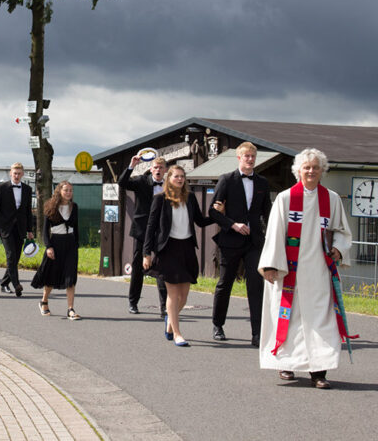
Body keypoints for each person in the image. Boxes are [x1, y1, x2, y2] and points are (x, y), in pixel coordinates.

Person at [257, 148, 353, 389]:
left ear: (322, 170)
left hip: (319, 272)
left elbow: (342, 230)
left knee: (321, 321)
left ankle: (318, 372)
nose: (311, 171)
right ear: (298, 171)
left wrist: (338, 249)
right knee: (289, 319)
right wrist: (271, 265)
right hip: (289, 271)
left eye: (316, 167)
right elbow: (274, 234)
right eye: (306, 167)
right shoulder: (285, 198)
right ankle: (286, 363)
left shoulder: (331, 199)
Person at [208, 142, 272, 346]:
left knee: (256, 286)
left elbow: (268, 213)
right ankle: (218, 325)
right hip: (230, 241)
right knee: (224, 284)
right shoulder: (226, 180)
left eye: (253, 156)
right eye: (247, 156)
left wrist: (271, 236)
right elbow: (213, 212)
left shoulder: (262, 182)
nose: (250, 159)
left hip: (254, 242)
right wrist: (233, 225)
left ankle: (257, 333)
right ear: (239, 158)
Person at [143, 165, 214, 347]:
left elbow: (200, 221)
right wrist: (146, 253)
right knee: (173, 295)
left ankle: (170, 322)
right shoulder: (160, 199)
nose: (180, 179)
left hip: (187, 248)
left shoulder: (190, 198)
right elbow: (151, 227)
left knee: (183, 297)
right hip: (168, 249)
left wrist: (217, 214)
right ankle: (177, 333)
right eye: (176, 176)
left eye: (182, 176)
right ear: (169, 179)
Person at [118, 155, 168, 316]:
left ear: (165, 170)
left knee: (162, 268)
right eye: (155, 167)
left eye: (161, 168)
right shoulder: (142, 181)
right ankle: (133, 302)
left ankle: (164, 307)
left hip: (161, 231)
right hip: (142, 230)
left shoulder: (169, 185)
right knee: (138, 266)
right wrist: (131, 165)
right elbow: (122, 183)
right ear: (151, 169)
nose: (158, 170)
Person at [31, 181, 81, 320]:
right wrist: (49, 247)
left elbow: (76, 227)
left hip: (70, 244)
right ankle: (44, 301)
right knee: (52, 276)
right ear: (59, 191)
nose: (69, 193)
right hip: (56, 243)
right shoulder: (50, 206)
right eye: (66, 190)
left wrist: (76, 244)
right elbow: (45, 231)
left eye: (70, 190)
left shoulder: (74, 207)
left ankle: (70, 309)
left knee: (70, 277)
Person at [0, 162, 34, 297]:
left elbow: (28, 211)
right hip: (5, 227)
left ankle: (4, 283)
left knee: (15, 258)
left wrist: (29, 230)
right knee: (10, 255)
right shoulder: (1, 188)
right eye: (14, 173)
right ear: (10, 173)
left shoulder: (27, 189)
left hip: (20, 228)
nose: (16, 176)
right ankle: (16, 284)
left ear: (22, 174)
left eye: (19, 173)